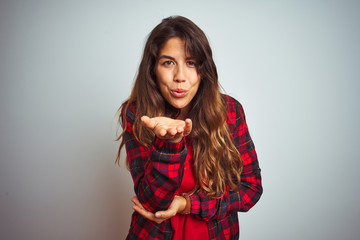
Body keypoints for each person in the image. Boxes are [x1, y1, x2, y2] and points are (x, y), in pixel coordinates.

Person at [116, 16, 262, 240]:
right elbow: (152, 201)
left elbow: (250, 189)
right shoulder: (137, 113)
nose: (180, 77)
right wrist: (170, 145)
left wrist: (187, 205)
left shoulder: (230, 111)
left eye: (191, 63)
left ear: (203, 69)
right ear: (153, 68)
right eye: (168, 63)